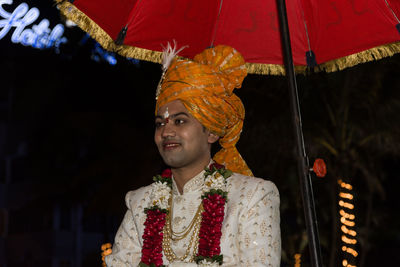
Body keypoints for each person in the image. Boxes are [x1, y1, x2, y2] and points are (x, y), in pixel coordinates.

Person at [105, 45, 280, 267]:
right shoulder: (140, 203)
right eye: (160, 123)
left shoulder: (252, 197)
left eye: (180, 121)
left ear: (212, 131)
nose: (166, 132)